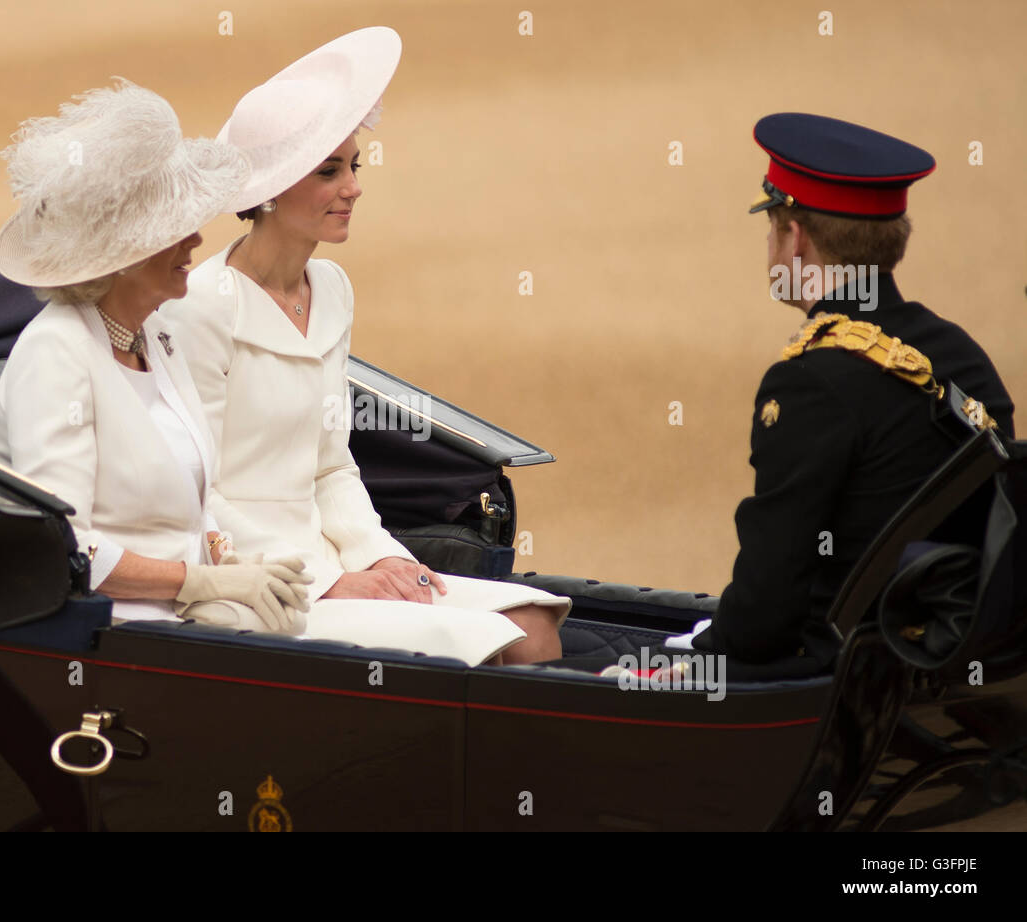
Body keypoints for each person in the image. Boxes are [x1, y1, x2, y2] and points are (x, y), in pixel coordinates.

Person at [559, 112, 1016, 679]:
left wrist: (693, 664)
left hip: (833, 679)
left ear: (794, 238)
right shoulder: (962, 356)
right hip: (943, 659)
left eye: (772, 225)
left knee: (563, 658)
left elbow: (763, 615)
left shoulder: (811, 380)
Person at [168, 27, 570, 665]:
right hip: (250, 584)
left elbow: (332, 467)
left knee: (535, 626)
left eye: (353, 166)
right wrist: (331, 584)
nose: (354, 186)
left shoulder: (330, 287)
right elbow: (194, 489)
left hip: (329, 559)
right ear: (270, 188)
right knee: (486, 647)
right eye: (330, 171)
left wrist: (383, 558)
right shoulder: (200, 304)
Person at [0, 79, 312, 633]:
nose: (195, 241)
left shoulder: (155, 335)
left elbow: (188, 501)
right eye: (173, 230)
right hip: (111, 631)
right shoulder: (55, 355)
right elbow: (67, 548)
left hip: (182, 619)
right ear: (119, 257)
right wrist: (199, 581)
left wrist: (224, 555)